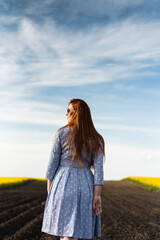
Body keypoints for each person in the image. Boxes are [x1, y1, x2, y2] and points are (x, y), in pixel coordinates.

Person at [41, 98, 105, 240]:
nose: (66, 114)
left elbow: (51, 166)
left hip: (62, 184)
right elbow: (99, 171)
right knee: (74, 233)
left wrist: (50, 192)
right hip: (86, 186)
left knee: (66, 234)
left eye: (68, 110)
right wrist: (97, 196)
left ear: (76, 113)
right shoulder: (96, 139)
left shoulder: (61, 133)